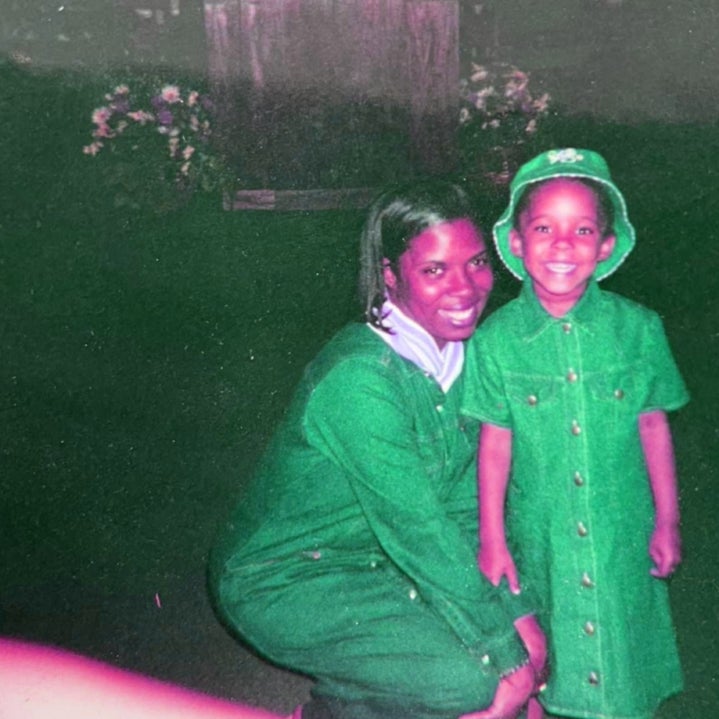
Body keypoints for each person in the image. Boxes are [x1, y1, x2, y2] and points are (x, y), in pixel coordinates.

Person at [209, 180, 547, 719]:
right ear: (390, 275)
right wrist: (505, 653)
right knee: (472, 684)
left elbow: (464, 510)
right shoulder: (360, 381)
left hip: (378, 559)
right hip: (286, 577)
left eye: (477, 262)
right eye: (434, 270)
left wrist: (520, 615)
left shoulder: (464, 357)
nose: (466, 288)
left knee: (526, 654)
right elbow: (418, 530)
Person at [462, 149, 689, 719]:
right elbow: (495, 442)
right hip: (542, 535)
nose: (562, 245)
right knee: (550, 660)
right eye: (544, 228)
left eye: (582, 230)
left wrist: (667, 519)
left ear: (607, 246)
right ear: (516, 242)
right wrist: (493, 537)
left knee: (620, 657)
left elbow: (653, 423)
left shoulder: (638, 329)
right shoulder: (495, 341)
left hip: (619, 530)